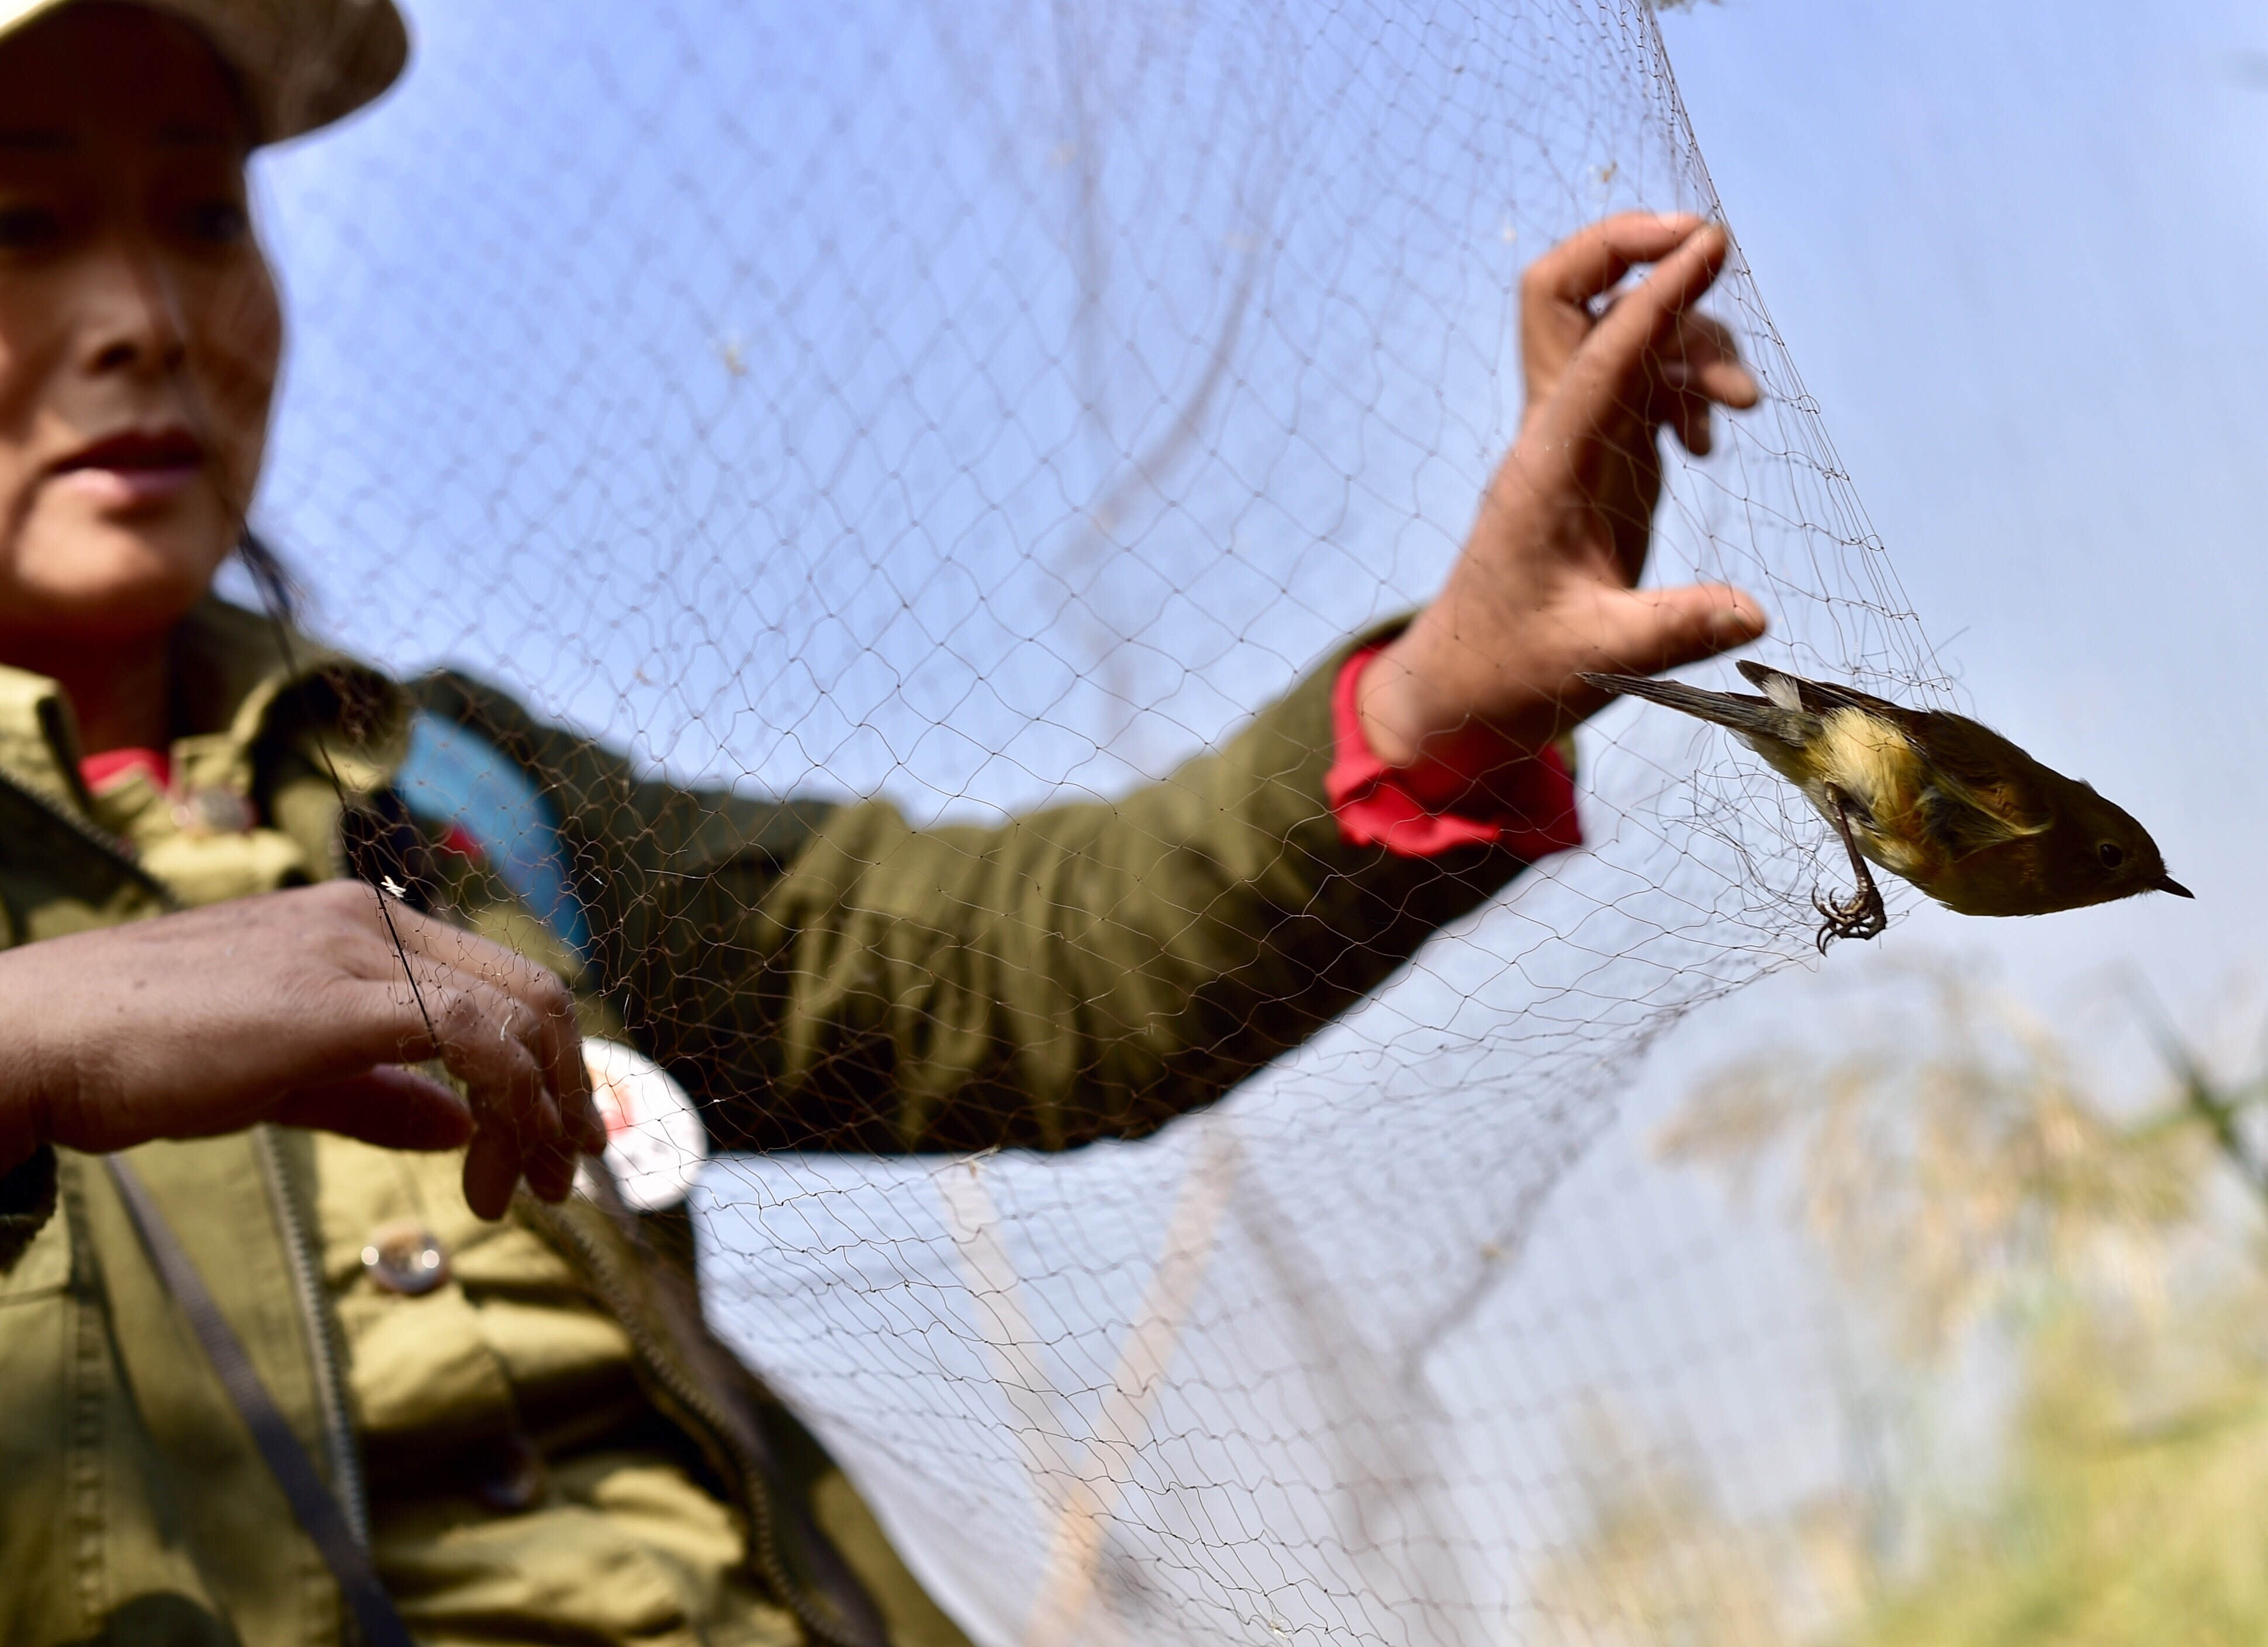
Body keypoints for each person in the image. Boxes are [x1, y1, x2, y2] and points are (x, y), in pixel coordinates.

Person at [0, 3, 1768, 1644]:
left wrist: (1447, 692)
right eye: (25, 227)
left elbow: (1001, 974)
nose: (147, 312)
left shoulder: (449, 799)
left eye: (207, 218)